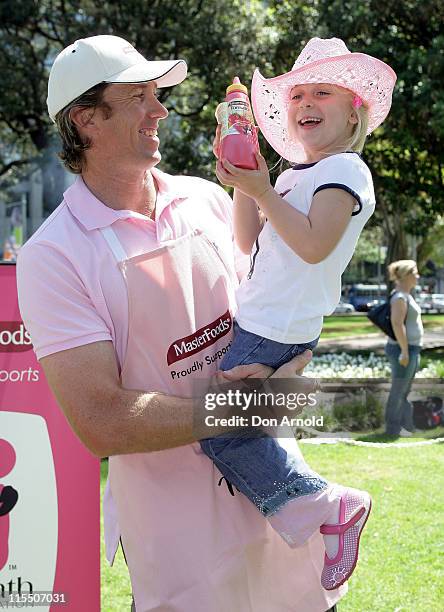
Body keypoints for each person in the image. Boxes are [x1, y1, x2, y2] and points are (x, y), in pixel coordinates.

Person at [16, 35, 344, 611]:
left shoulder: (208, 200)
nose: (160, 109)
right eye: (139, 96)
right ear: (87, 120)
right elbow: (102, 420)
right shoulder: (53, 256)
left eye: (157, 93)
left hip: (279, 505)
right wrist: (249, 405)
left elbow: (267, 311)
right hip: (181, 546)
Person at [198, 36, 397, 590]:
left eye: (323, 92)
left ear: (354, 109)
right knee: (248, 429)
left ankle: (329, 506)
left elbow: (313, 245)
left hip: (271, 330)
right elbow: (245, 240)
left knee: (220, 433)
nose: (306, 101)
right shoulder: (289, 177)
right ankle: (305, 527)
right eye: (298, 93)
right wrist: (247, 181)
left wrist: (264, 191)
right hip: (266, 327)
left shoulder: (348, 172)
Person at [384, 260, 423, 436]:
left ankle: (405, 425)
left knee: (404, 391)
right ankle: (393, 429)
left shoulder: (406, 295)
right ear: (406, 275)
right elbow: (397, 324)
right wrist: (405, 351)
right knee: (398, 390)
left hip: (412, 349)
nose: (418, 276)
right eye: (415, 272)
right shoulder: (399, 297)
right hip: (403, 350)